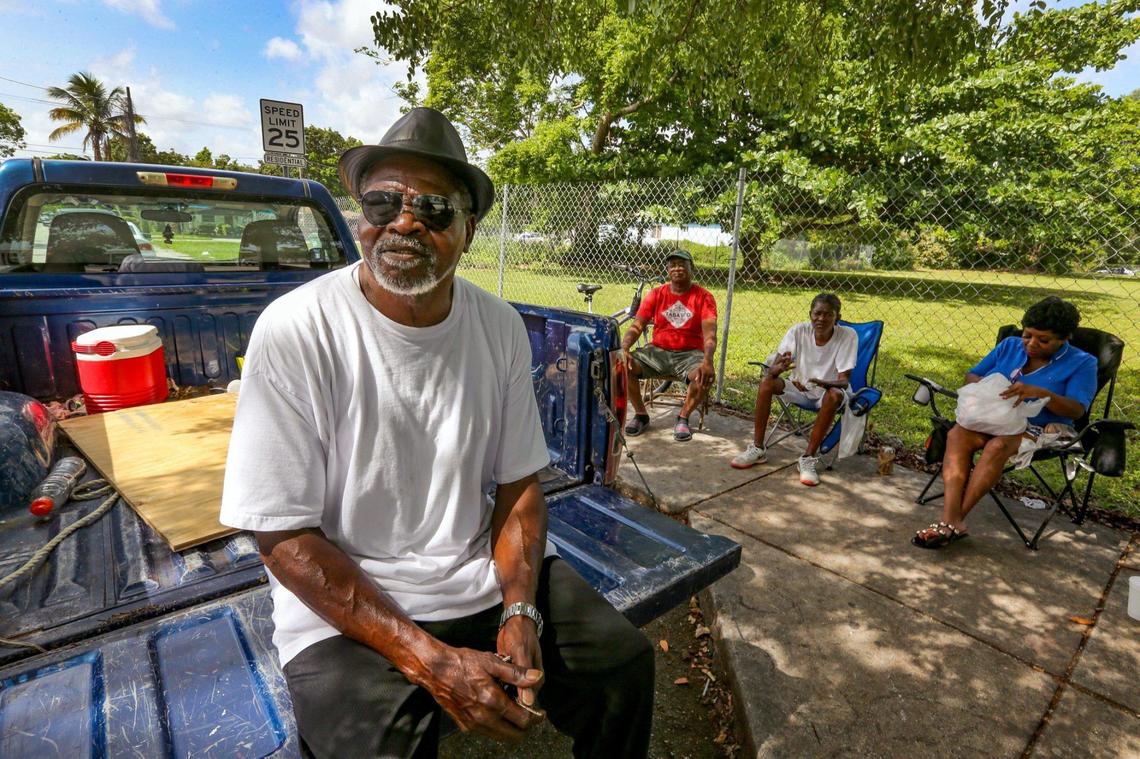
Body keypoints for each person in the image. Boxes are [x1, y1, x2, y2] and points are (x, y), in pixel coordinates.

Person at [220, 107, 653, 759]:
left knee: (624, 665)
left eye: (433, 208)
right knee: (382, 744)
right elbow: (283, 537)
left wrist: (517, 609)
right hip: (346, 605)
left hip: (473, 572)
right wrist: (431, 661)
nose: (404, 221)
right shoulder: (296, 329)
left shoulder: (499, 327)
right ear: (359, 215)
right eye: (383, 200)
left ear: (469, 229)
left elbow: (519, 489)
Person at [911, 296, 1097, 549]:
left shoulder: (1083, 363)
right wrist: (989, 388)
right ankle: (953, 521)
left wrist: (1043, 395)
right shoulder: (1010, 345)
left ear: (1064, 338)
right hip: (989, 417)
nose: (1031, 344)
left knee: (997, 447)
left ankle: (949, 523)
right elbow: (972, 375)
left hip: (1037, 428)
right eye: (1027, 335)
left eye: (1043, 340)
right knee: (956, 436)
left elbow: (1076, 410)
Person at [730, 293, 857, 486]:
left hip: (828, 395)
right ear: (810, 314)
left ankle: (807, 459)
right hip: (800, 389)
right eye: (817, 313)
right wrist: (775, 370)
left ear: (837, 317)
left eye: (828, 314)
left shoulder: (847, 336)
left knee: (834, 395)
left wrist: (822, 382)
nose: (821, 319)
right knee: (767, 383)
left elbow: (844, 382)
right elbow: (776, 365)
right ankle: (757, 449)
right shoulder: (799, 331)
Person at [619, 249, 718, 442]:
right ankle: (641, 415)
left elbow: (710, 332)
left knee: (704, 376)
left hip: (689, 354)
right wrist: (624, 349)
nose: (677, 269)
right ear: (667, 269)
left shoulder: (704, 297)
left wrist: (708, 360)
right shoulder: (656, 294)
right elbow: (637, 325)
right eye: (672, 265)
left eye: (682, 264)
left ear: (692, 268)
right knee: (622, 365)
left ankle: (683, 417)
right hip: (657, 352)